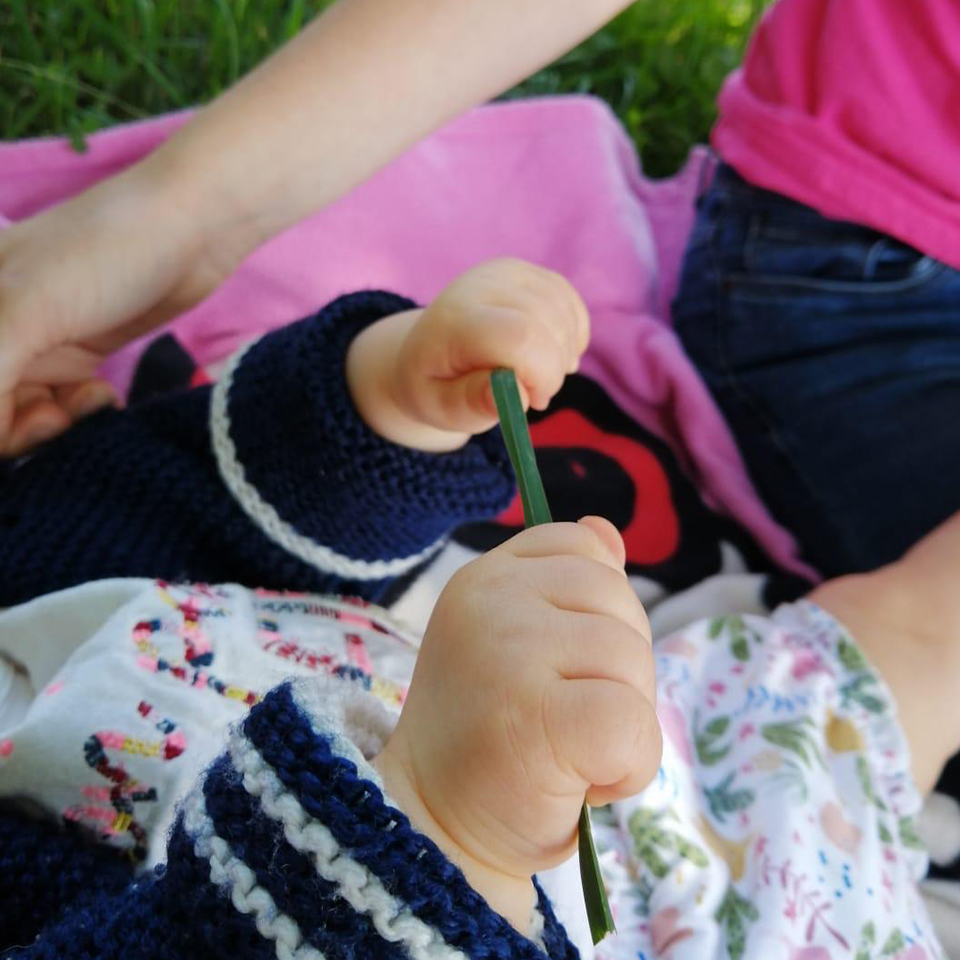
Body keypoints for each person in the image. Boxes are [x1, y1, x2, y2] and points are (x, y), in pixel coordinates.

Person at [0, 257, 952, 959]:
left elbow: (197, 508)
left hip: (684, 758)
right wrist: (452, 832)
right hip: (523, 890)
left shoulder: (26, 540)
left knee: (907, 632)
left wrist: (390, 401)